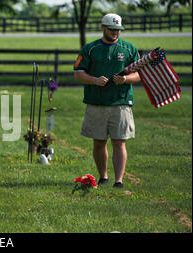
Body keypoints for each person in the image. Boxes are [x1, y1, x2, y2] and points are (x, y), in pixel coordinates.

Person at [73, 13, 141, 189]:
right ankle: (103, 176)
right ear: (103, 27)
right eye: (112, 29)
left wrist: (125, 80)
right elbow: (78, 73)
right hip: (96, 102)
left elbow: (139, 74)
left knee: (119, 141)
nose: (115, 33)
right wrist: (95, 80)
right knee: (99, 142)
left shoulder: (129, 49)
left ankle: (118, 181)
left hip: (121, 102)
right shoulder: (90, 49)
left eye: (118, 30)